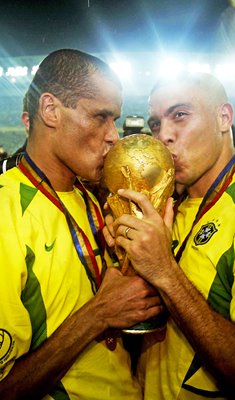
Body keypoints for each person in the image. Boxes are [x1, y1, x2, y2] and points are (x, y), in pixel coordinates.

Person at [0, 49, 163, 400]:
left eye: (114, 120)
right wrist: (98, 315)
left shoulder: (92, 199)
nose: (113, 136)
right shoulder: (5, 214)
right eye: (100, 117)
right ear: (50, 110)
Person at [106, 72, 235, 399]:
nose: (164, 135)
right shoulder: (163, 207)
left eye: (180, 115)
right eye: (155, 123)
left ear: (224, 118)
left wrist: (164, 271)